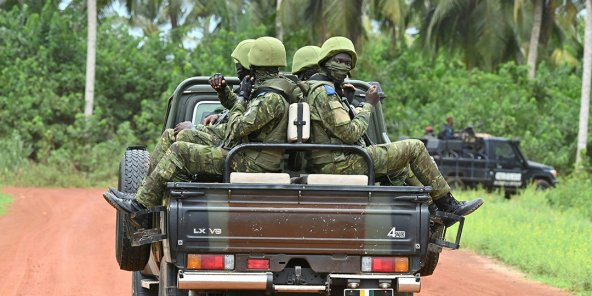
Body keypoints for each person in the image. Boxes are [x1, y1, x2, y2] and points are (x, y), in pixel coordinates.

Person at [103, 36, 291, 214]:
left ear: (254, 66)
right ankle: (144, 195)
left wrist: (242, 97)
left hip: (250, 162)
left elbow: (235, 130)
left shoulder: (270, 98)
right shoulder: (267, 93)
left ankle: (140, 205)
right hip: (246, 154)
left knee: (180, 150)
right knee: (179, 136)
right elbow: (239, 123)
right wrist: (228, 95)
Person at [306, 36, 483, 217]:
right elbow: (350, 133)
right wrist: (368, 105)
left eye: (347, 63)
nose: (344, 66)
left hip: (339, 159)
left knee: (401, 167)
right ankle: (448, 204)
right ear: (325, 61)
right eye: (338, 61)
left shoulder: (326, 89)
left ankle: (431, 213)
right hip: (341, 163)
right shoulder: (324, 92)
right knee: (415, 147)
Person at [147, 39, 255, 173]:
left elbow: (236, 128)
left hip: (234, 149)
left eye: (239, 63)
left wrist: (194, 127)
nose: (237, 67)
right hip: (228, 143)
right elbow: (236, 111)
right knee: (171, 134)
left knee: (180, 137)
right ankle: (148, 186)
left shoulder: (257, 93)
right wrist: (222, 97)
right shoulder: (248, 89)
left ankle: (148, 190)